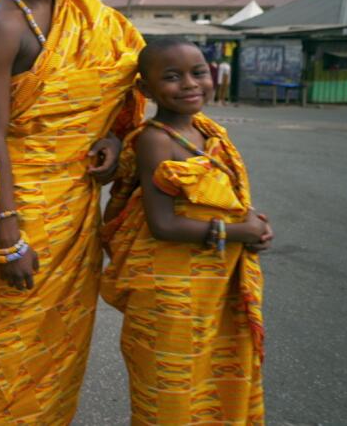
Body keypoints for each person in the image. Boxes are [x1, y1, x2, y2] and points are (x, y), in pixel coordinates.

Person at [0, 0, 145, 424]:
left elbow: (131, 80)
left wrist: (115, 138)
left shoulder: (88, 15)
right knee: (2, 341)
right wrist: (7, 234)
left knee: (60, 348)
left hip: (76, 208)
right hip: (20, 205)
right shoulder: (1, 26)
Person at [101, 38, 271, 424]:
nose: (191, 84)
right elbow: (163, 224)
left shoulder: (208, 133)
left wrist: (254, 226)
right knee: (170, 394)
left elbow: (225, 201)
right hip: (170, 294)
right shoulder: (157, 140)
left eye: (198, 73)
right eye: (173, 77)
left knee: (212, 383)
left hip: (214, 288)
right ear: (146, 90)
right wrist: (237, 232)